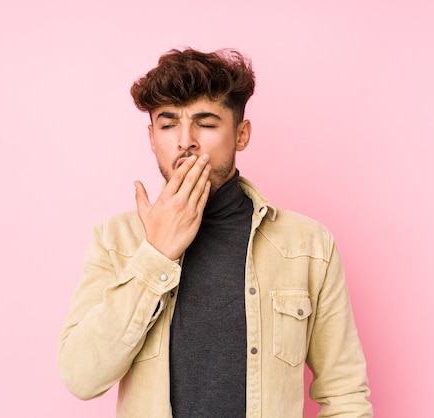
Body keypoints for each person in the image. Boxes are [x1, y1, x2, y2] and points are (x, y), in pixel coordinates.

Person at [58, 47, 372, 418]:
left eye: (206, 124)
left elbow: (345, 394)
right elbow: (81, 377)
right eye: (168, 123)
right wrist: (155, 255)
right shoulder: (116, 239)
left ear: (241, 135)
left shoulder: (308, 245)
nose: (185, 140)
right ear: (151, 137)